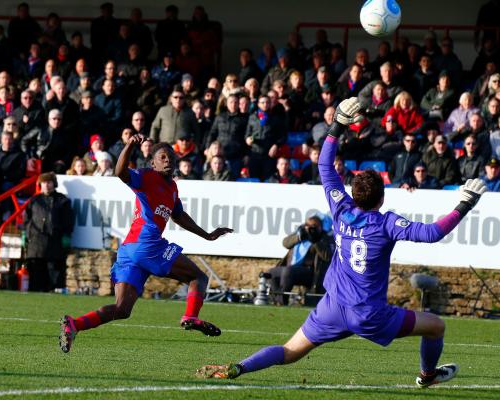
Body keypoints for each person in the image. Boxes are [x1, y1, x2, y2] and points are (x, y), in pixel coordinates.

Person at [197, 97, 487, 388]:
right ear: (381, 198)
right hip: (369, 314)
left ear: (354, 193)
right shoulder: (386, 223)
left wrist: (337, 125)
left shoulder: (341, 210)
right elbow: (433, 233)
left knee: (288, 351)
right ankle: (427, 376)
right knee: (436, 326)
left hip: (333, 307)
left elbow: (325, 164)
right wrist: (464, 205)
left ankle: (238, 367)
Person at [59, 136, 233, 353]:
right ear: (153, 163)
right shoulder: (145, 176)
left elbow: (179, 216)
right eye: (162, 157)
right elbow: (120, 172)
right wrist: (130, 145)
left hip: (129, 251)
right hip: (147, 246)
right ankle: (190, 316)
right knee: (198, 277)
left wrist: (206, 235)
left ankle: (74, 324)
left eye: (171, 157)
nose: (168, 160)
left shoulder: (172, 189)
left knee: (122, 309)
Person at [25, 172, 74, 292]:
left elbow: (69, 220)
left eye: (49, 182)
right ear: (40, 184)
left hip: (55, 241)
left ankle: (53, 291)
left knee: (54, 269)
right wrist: (24, 234)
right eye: (44, 183)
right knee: (36, 270)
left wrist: (67, 236)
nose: (46, 185)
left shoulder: (63, 200)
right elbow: (27, 219)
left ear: (54, 184)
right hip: (35, 242)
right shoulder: (34, 200)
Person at [268, 215, 333, 305]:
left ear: (319, 227)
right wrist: (298, 238)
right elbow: (285, 243)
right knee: (271, 273)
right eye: (307, 225)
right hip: (292, 267)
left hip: (310, 272)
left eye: (312, 227)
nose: (309, 228)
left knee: (288, 271)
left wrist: (315, 241)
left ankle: (282, 301)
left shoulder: (324, 237)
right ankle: (276, 300)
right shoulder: (301, 232)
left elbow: (327, 256)